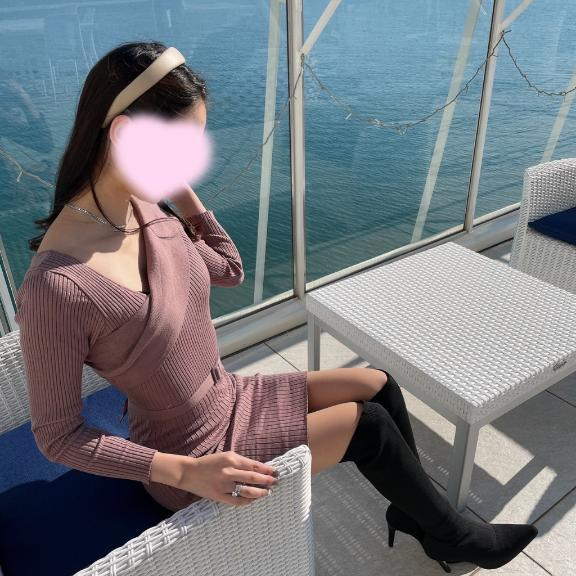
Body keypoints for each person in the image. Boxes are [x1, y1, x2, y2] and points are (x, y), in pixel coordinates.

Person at [14, 41, 537, 571]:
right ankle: (452, 536)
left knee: (378, 383)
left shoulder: (144, 207)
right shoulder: (57, 287)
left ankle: (417, 514)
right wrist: (183, 472)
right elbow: (58, 436)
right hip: (193, 455)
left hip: (227, 395)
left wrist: (181, 194)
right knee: (369, 427)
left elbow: (228, 268)